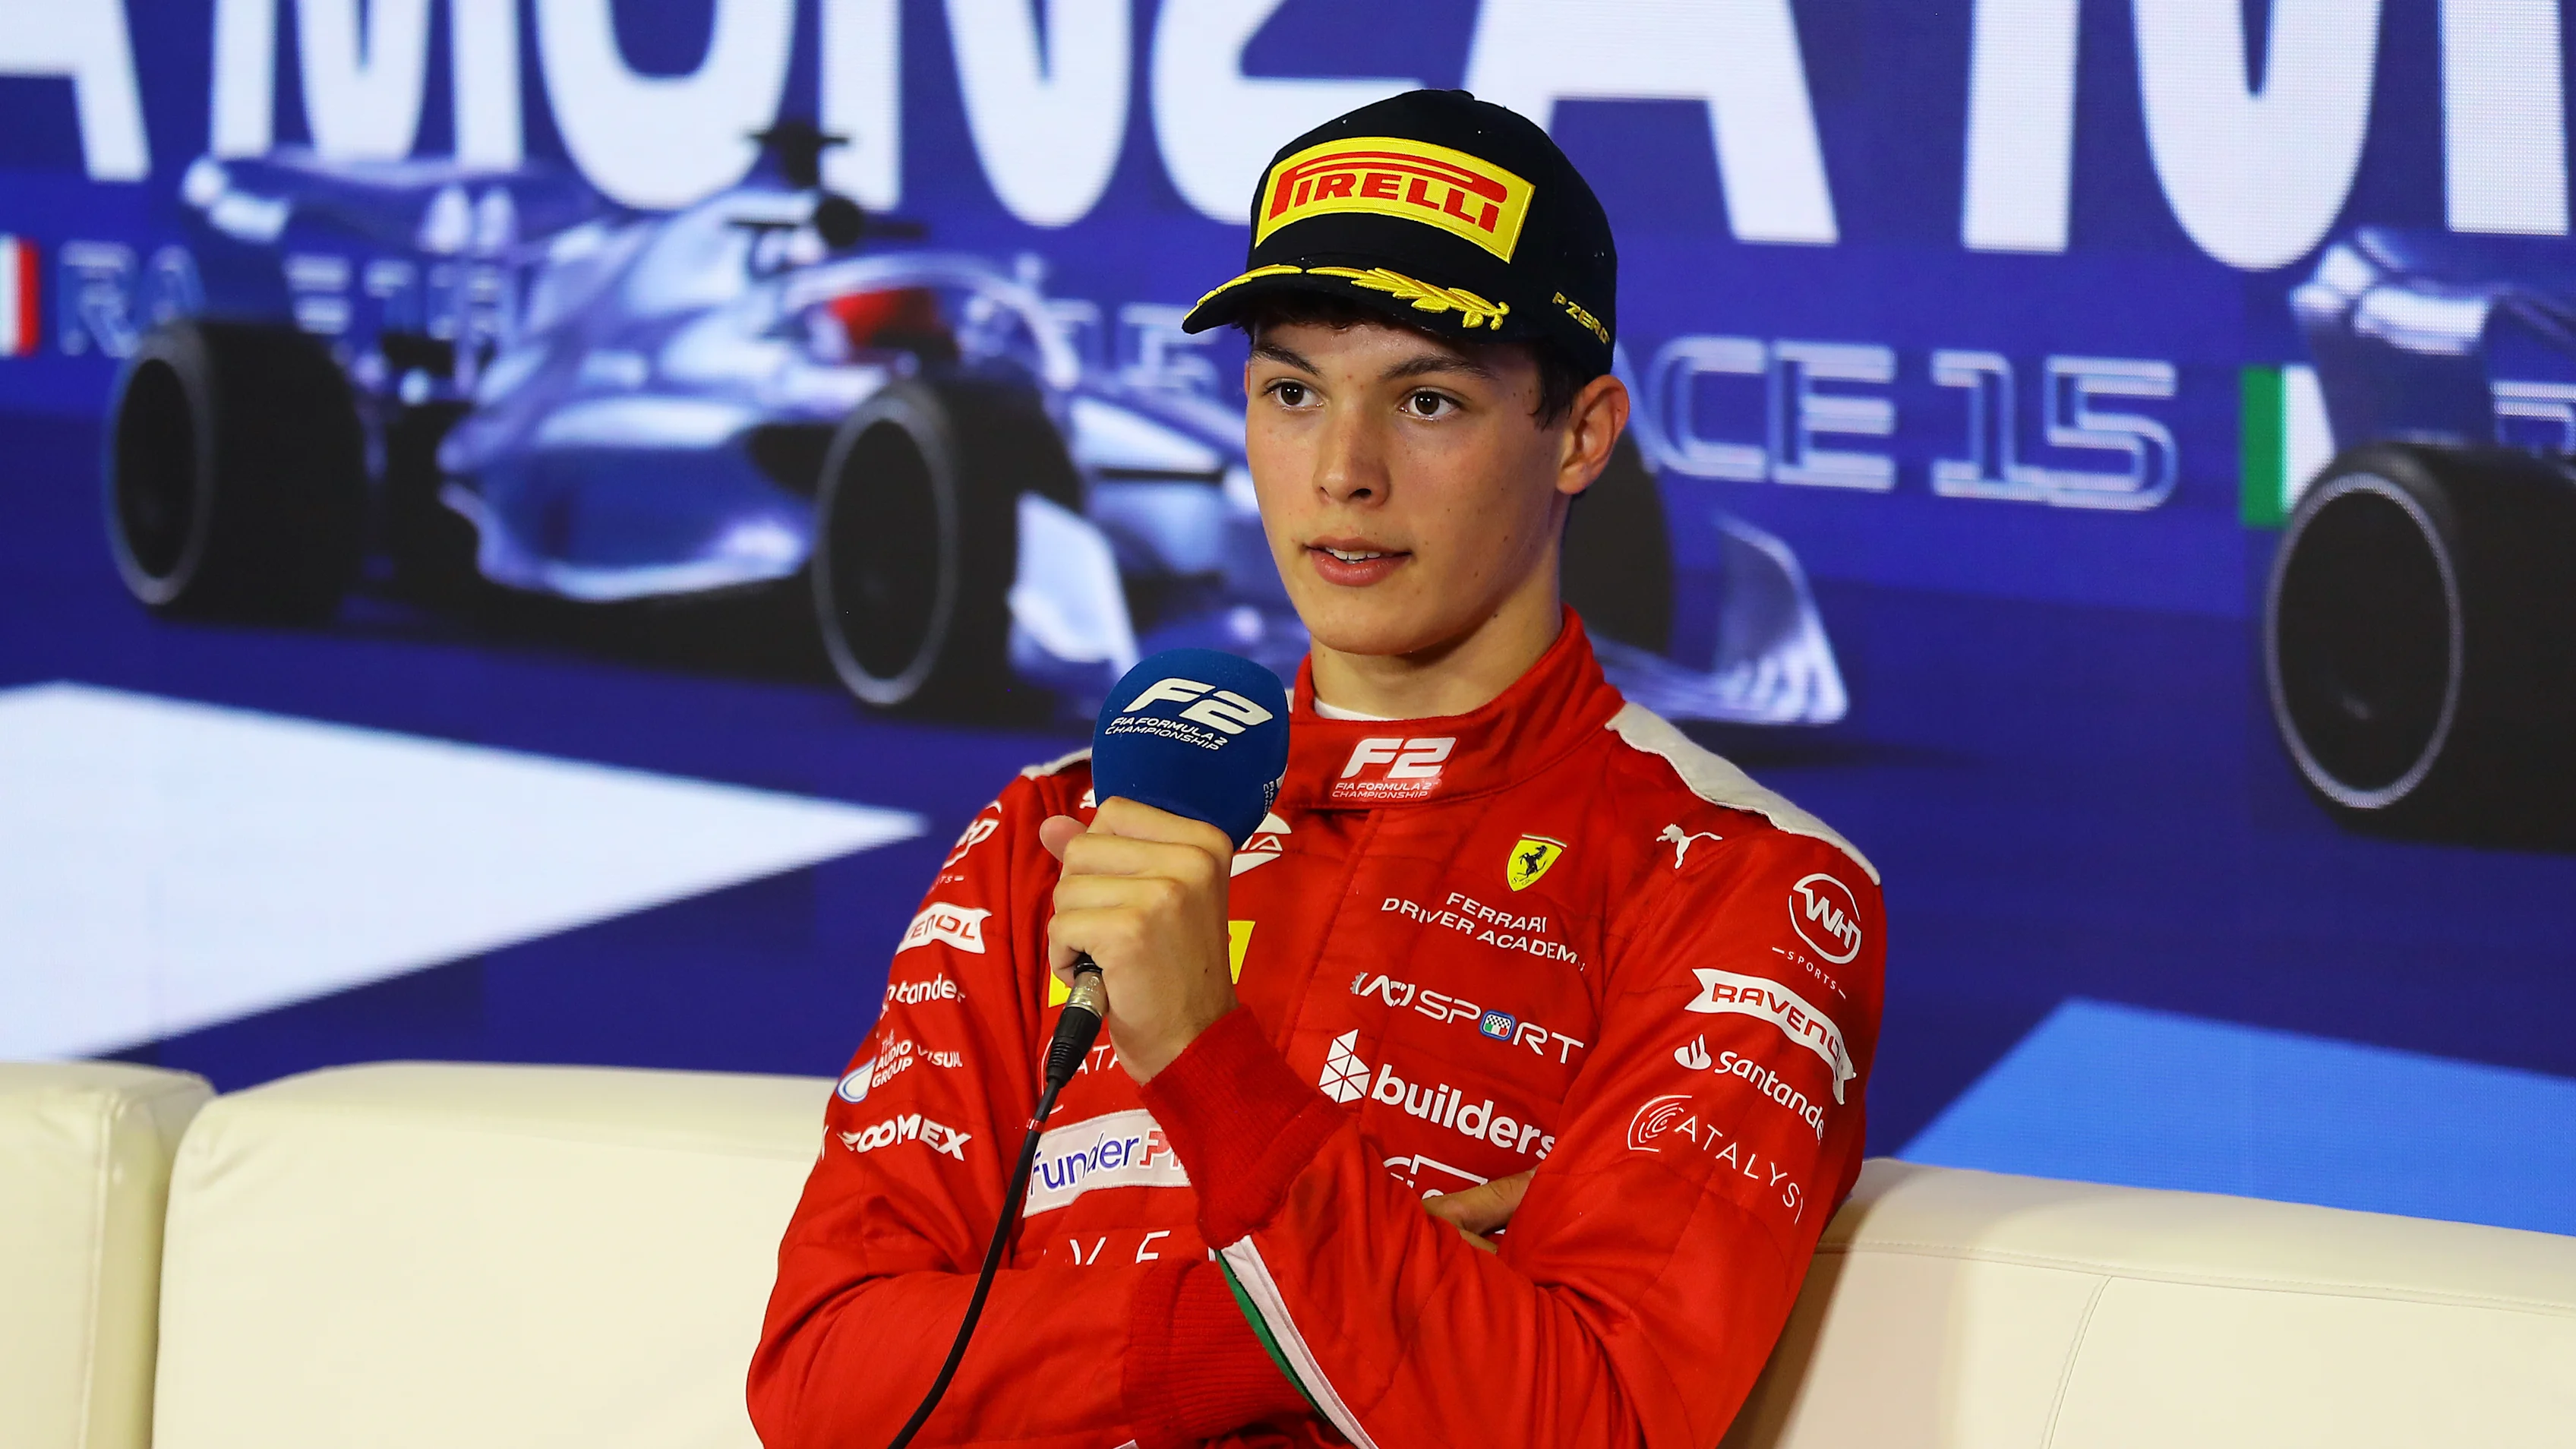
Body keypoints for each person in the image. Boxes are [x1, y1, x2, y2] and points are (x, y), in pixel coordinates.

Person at [750, 89, 1885, 1449]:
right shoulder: (1055, 834)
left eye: (1427, 399)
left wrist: (1197, 1046)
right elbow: (823, 1378)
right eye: (1293, 392)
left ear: (1582, 436)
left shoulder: (1749, 891)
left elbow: (1590, 1421)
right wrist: (1275, 1333)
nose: (1343, 472)